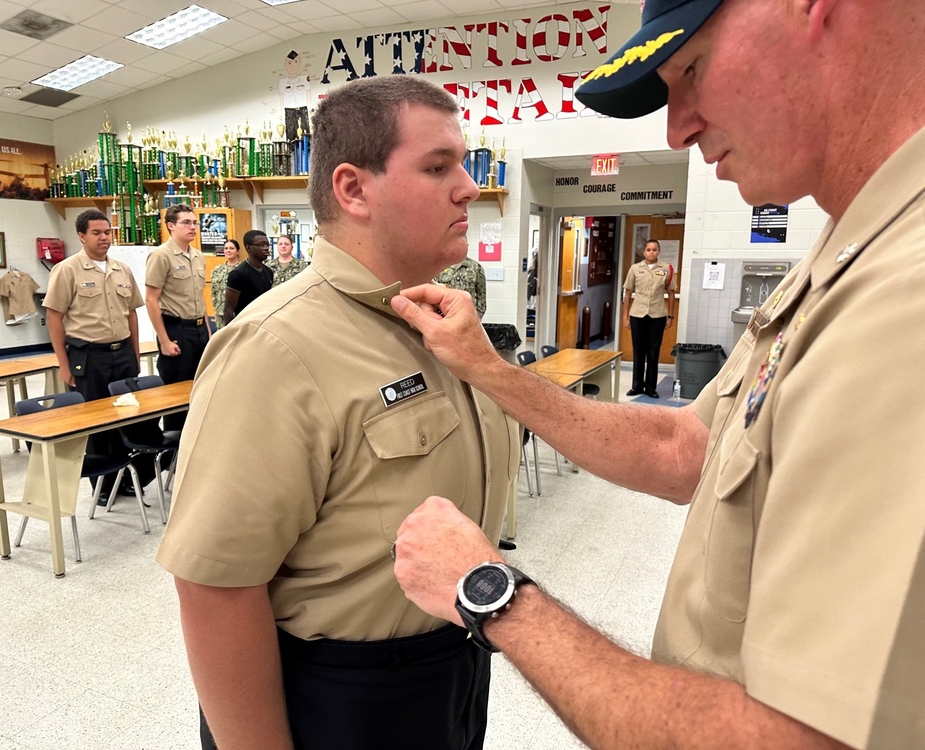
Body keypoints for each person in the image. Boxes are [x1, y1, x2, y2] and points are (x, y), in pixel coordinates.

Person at [389, 0, 925, 748]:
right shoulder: (846, 248)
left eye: (692, 70)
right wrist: (488, 369)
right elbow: (689, 450)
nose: (677, 127)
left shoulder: (906, 292)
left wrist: (494, 594)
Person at [156, 75, 519, 750]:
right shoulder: (276, 347)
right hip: (341, 698)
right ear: (354, 190)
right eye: (438, 167)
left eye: (462, 164)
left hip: (450, 667)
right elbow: (214, 586)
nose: (468, 186)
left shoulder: (433, 318)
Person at [44, 209, 152, 501]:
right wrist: (63, 365)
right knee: (96, 423)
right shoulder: (67, 270)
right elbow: (54, 317)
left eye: (107, 232)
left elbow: (130, 313)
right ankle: (102, 486)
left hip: (122, 354)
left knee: (125, 416)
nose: (104, 238)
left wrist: (135, 353)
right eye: (96, 233)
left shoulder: (121, 269)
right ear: (81, 235)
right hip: (88, 356)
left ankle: (124, 480)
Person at [145, 203, 209, 430]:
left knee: (200, 387)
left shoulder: (198, 256)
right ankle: (174, 450)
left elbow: (200, 299)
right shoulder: (161, 256)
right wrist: (163, 340)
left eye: (195, 223)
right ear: (171, 226)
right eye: (186, 223)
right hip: (176, 330)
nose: (193, 227)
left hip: (200, 328)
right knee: (176, 393)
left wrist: (208, 333)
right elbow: (151, 299)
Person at [621, 238, 674, 398]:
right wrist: (625, 316)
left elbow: (671, 293)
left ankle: (651, 388)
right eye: (648, 250)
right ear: (644, 252)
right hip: (637, 314)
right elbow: (628, 293)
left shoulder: (665, 269)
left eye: (654, 249)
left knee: (653, 351)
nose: (651, 252)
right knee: (638, 350)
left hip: (657, 315)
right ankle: (637, 386)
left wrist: (670, 316)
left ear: (658, 251)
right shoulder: (635, 268)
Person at [222, 230, 273, 326]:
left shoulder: (268, 272)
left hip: (263, 326)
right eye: (261, 245)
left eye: (267, 245)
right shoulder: (238, 274)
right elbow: (228, 310)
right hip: (245, 327)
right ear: (248, 248)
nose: (266, 248)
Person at [210, 238, 240, 330]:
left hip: (238, 313)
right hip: (220, 313)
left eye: (231, 248)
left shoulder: (242, 269)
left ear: (237, 251)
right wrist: (215, 309)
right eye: (226, 248)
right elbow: (214, 291)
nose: (228, 251)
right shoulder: (217, 270)